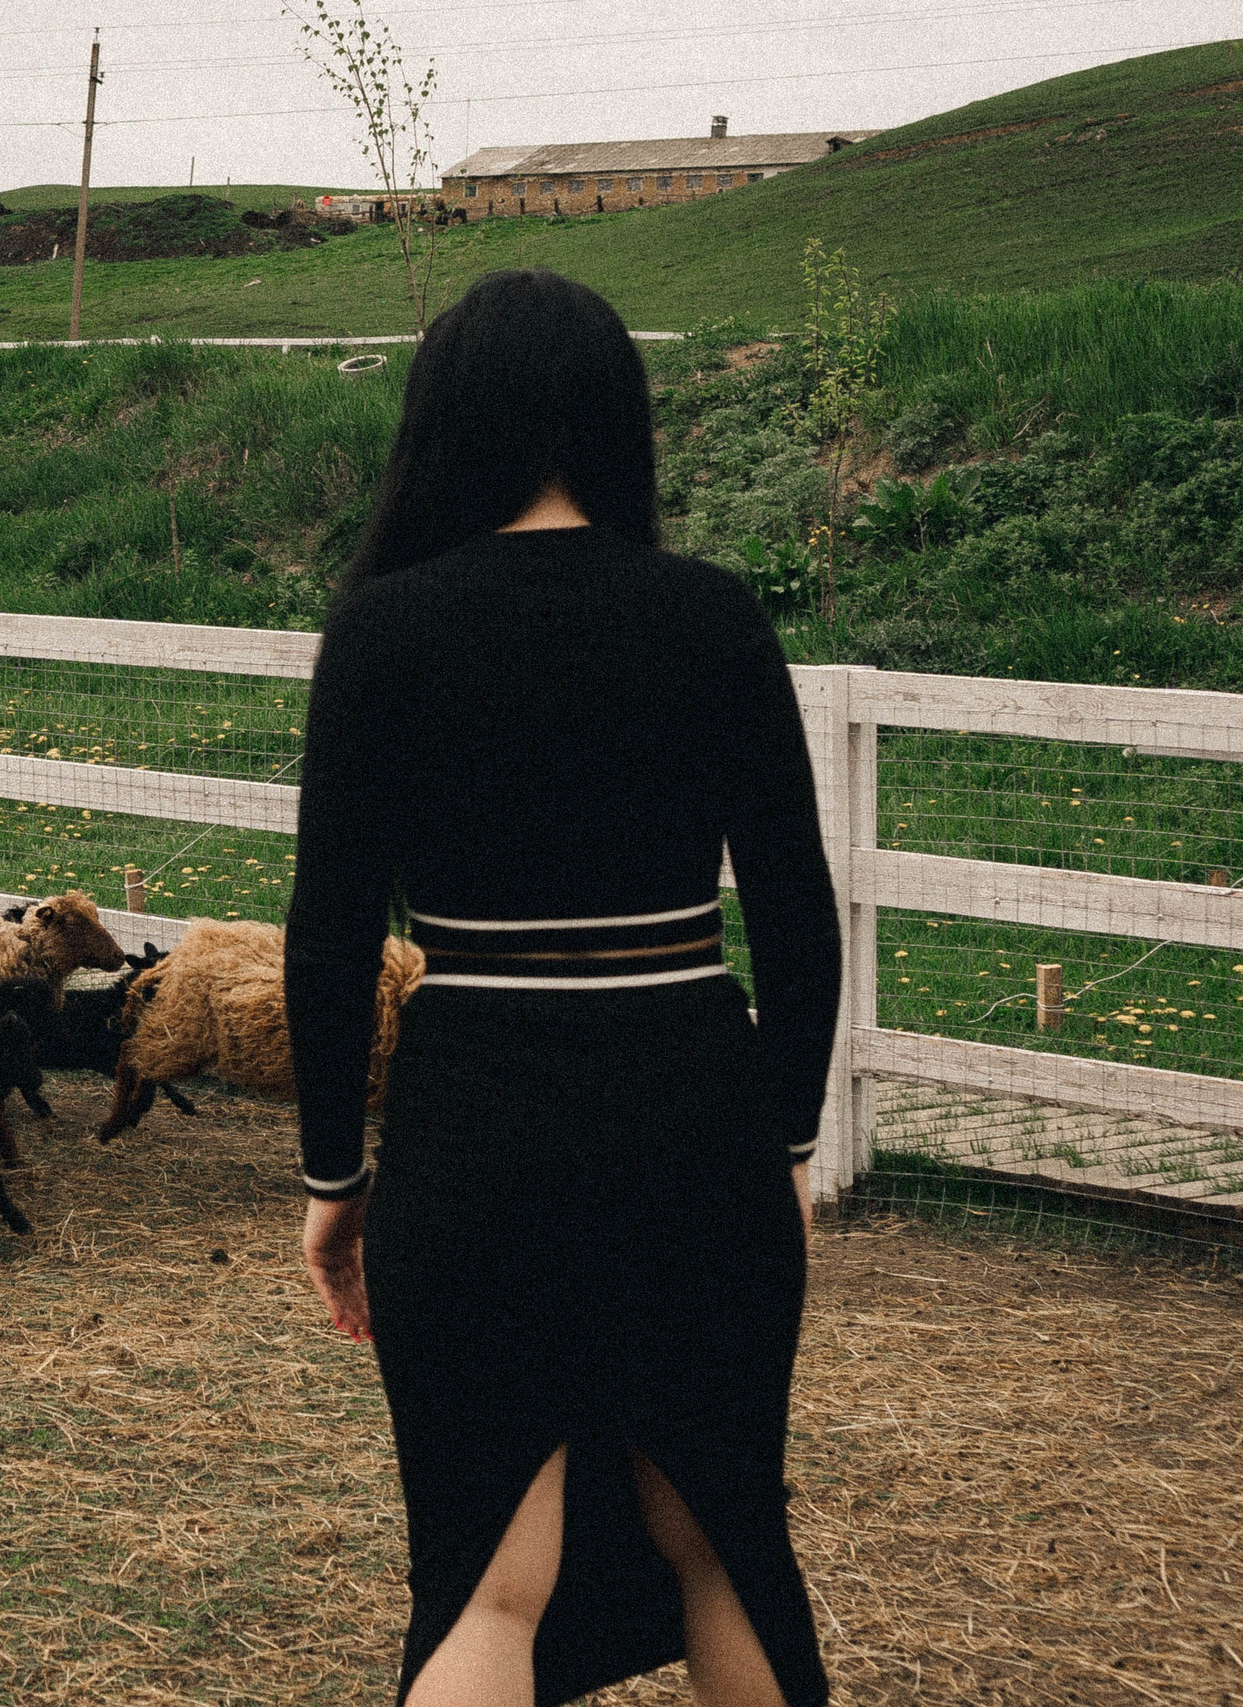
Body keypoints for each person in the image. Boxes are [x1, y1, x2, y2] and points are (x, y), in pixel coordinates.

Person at [283, 268, 842, 1707]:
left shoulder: (386, 630)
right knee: (728, 1543)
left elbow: (330, 935)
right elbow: (795, 915)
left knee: (489, 1582)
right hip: (696, 1115)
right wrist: (783, 1147)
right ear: (615, 419)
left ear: (443, 422)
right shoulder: (712, 616)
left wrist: (336, 1180)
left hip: (477, 1131)